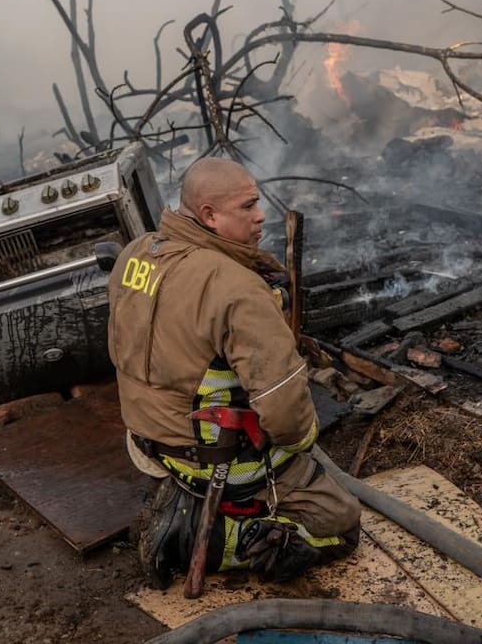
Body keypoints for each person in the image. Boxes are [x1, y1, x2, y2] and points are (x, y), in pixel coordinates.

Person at [107, 157, 361, 587]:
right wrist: (301, 444)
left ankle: (193, 500)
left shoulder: (136, 252)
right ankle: (213, 538)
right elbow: (285, 417)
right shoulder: (236, 288)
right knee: (342, 521)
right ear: (209, 215)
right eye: (248, 206)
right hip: (213, 459)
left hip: (146, 442)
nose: (261, 215)